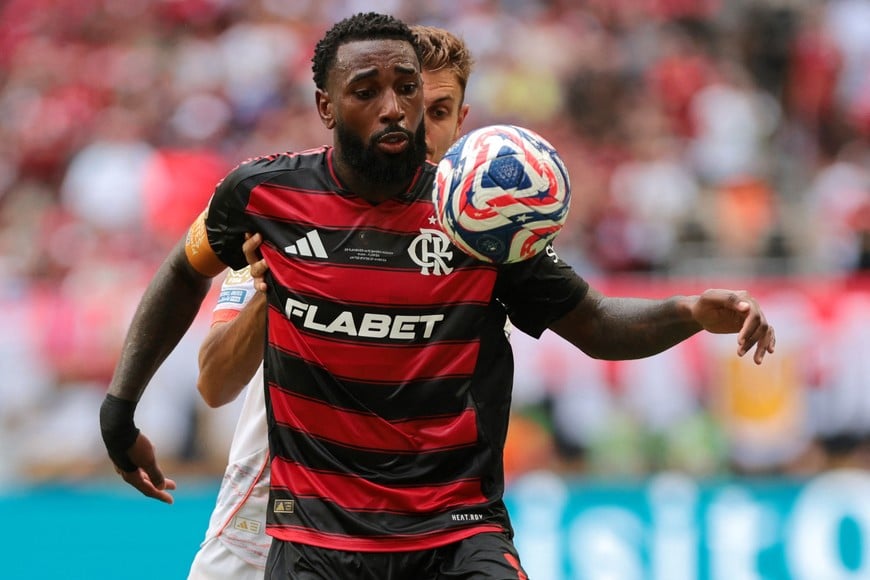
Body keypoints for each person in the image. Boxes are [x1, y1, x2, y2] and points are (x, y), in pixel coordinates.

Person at [100, 12, 776, 579]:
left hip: (453, 530)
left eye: (415, 94)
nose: (400, 111)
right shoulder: (266, 203)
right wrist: (121, 409)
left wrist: (690, 311)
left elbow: (594, 322)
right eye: (370, 91)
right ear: (327, 106)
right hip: (307, 530)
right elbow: (195, 317)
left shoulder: (479, 219)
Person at [186, 24, 474, 579]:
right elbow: (214, 384)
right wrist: (270, 288)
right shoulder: (296, 227)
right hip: (266, 528)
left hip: (414, 533)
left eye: (435, 111)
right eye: (376, 97)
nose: (414, 125)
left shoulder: (479, 241)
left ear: (462, 121)